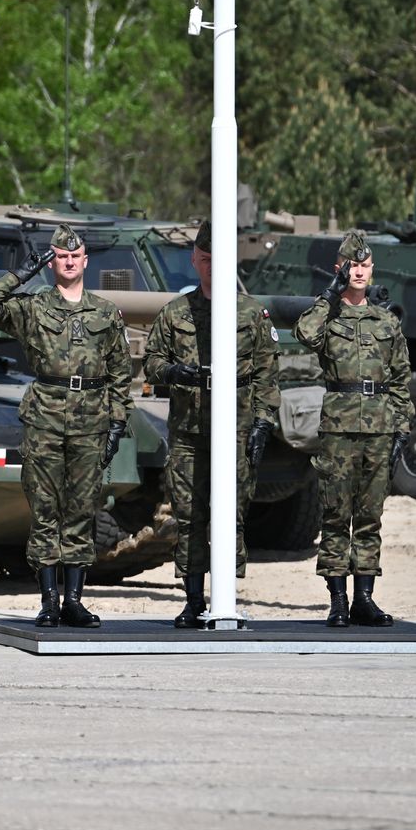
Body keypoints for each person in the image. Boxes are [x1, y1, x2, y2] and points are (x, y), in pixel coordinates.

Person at [0, 223, 131, 629]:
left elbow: (120, 373)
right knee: (44, 510)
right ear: (52, 260)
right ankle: (48, 602)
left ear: (85, 261)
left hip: (91, 418)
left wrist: (117, 423)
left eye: (75, 256)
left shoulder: (105, 313)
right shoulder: (33, 307)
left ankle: (74, 601)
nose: (69, 261)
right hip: (45, 416)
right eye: (61, 256)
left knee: (81, 510)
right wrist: (22, 273)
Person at [141, 219, 279, 629]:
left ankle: (227, 595)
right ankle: (193, 598)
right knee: (189, 515)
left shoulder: (250, 313)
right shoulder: (176, 312)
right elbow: (150, 362)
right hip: (189, 432)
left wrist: (263, 424)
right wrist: (175, 372)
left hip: (235, 428)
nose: (211, 266)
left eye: (218, 259)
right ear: (194, 260)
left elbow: (268, 374)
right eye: (204, 259)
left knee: (231, 514)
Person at [294, 231, 410, 629]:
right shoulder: (327, 315)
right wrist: (330, 293)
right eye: (351, 266)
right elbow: (305, 334)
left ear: (372, 269)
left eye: (364, 266)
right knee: (335, 513)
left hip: (379, 429)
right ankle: (338, 600)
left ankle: (365, 598)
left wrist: (401, 429)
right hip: (339, 429)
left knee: (369, 516)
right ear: (340, 269)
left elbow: (399, 380)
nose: (358, 272)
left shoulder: (386, 322)